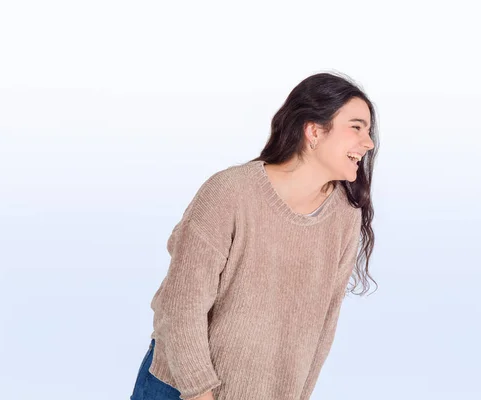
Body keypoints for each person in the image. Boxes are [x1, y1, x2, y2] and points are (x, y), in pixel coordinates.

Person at [129, 71, 378, 400]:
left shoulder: (344, 217)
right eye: (356, 127)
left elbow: (322, 327)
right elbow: (180, 307)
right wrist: (200, 393)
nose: (369, 143)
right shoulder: (230, 193)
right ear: (314, 131)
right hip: (181, 389)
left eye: (369, 131)